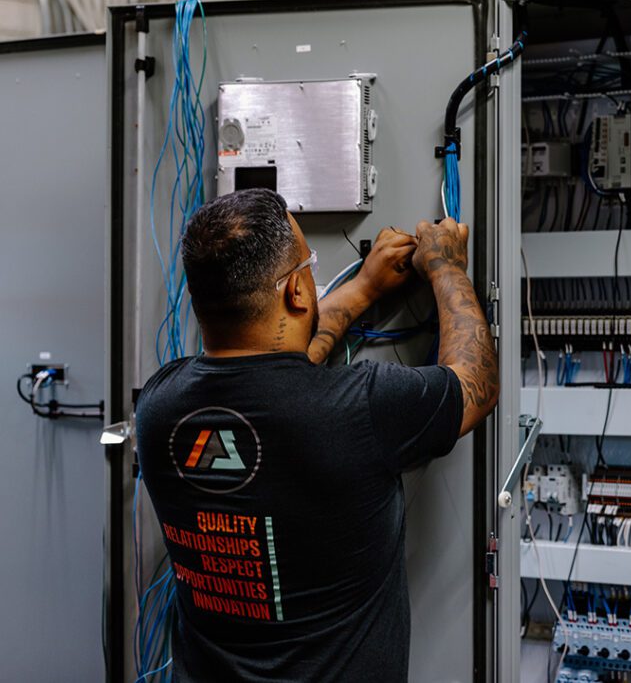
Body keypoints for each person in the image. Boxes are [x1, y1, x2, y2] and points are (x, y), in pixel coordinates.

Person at [135, 188, 499, 682]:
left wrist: (363, 289)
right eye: (308, 266)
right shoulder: (363, 407)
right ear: (297, 292)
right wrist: (447, 266)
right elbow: (476, 382)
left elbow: (271, 375)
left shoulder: (158, 406)